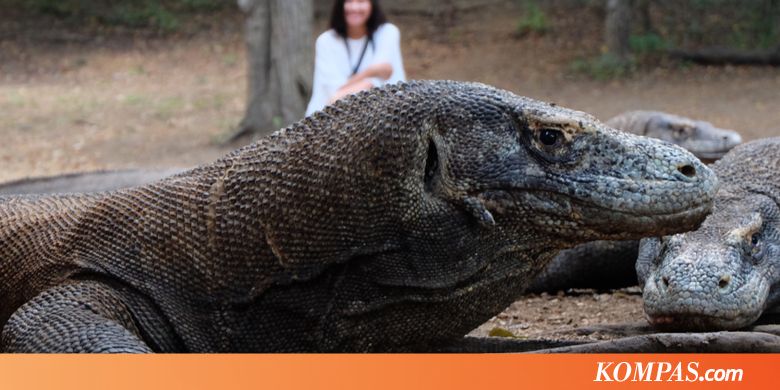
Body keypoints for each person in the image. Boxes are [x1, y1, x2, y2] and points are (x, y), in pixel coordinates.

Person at [305, 0, 406, 116]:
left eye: (361, 1)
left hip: (379, 121)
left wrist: (351, 86)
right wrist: (371, 73)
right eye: (349, 1)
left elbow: (385, 80)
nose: (354, 7)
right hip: (325, 123)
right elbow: (335, 97)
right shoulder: (326, 41)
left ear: (372, 4)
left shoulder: (387, 33)